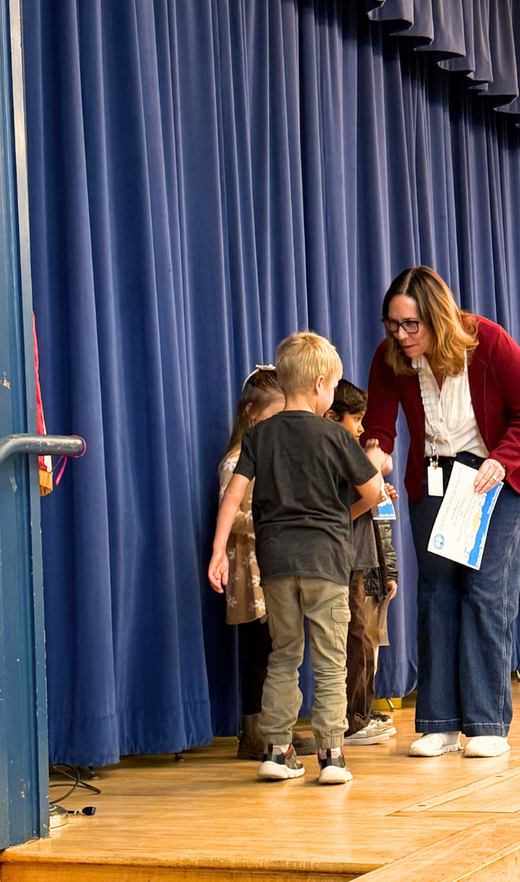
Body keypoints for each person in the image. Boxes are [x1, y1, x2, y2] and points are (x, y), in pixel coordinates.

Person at [362, 266, 520, 759]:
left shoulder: (489, 341)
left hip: (493, 479)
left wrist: (502, 460)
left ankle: (488, 724)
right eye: (393, 324)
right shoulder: (391, 356)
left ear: (438, 317)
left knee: (485, 593)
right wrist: (373, 457)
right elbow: (379, 427)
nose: (401, 335)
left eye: (411, 325)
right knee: (436, 594)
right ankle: (438, 724)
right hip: (434, 480)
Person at [208, 332, 386, 785]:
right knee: (330, 660)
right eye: (333, 387)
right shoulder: (335, 435)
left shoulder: (259, 436)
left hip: (276, 565)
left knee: (283, 655)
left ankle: (276, 750)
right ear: (320, 384)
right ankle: (332, 756)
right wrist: (345, 513)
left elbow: (233, 496)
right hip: (326, 563)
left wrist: (218, 550)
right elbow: (373, 491)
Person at [215, 366, 318, 760]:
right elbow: (231, 513)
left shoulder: (272, 456)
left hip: (275, 563)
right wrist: (273, 516)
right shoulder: (236, 460)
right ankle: (254, 733)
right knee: (261, 652)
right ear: (250, 413)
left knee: (282, 647)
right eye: (273, 415)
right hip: (251, 571)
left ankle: (280, 727)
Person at [324, 379, 399, 746]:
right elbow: (339, 515)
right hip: (343, 559)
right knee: (353, 639)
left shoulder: (351, 453)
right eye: (355, 420)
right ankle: (352, 721)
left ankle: (362, 712)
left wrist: (377, 499)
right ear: (332, 417)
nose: (361, 428)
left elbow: (371, 515)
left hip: (362, 560)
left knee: (364, 640)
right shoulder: (332, 456)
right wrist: (370, 499)